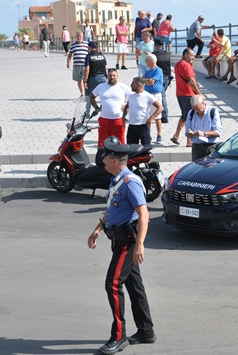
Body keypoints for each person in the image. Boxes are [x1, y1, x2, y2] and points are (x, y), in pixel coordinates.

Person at [87, 136, 155, 355]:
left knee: (113, 284)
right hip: (118, 239)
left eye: (106, 156)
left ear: (115, 160)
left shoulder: (130, 182)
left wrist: (140, 245)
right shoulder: (116, 180)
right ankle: (145, 331)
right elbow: (113, 209)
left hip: (127, 242)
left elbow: (144, 214)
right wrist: (98, 228)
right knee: (134, 286)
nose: (103, 159)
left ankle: (118, 337)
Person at [89, 68, 131, 146]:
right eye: (110, 75)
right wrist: (97, 108)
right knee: (102, 143)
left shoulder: (123, 87)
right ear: (107, 76)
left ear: (117, 76)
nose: (112, 77)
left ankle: (121, 158)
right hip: (104, 119)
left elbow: (133, 97)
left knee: (120, 142)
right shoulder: (101, 86)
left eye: (114, 75)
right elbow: (91, 96)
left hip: (118, 119)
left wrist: (127, 107)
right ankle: (101, 157)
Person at [171, 48, 202, 146]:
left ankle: (176, 136)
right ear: (185, 55)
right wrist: (199, 93)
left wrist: (191, 63)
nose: (193, 57)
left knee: (184, 116)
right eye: (191, 55)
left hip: (180, 93)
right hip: (188, 94)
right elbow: (191, 81)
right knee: (190, 117)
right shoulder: (186, 65)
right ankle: (189, 141)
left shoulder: (178, 64)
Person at [123, 77, 163, 146]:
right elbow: (127, 106)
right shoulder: (131, 96)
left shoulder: (148, 96)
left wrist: (151, 118)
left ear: (138, 85)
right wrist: (123, 116)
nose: (131, 85)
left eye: (133, 84)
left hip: (143, 125)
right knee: (131, 149)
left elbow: (160, 107)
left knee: (146, 148)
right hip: (132, 125)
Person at [185, 95, 222, 161]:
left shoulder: (212, 112)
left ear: (203, 103)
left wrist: (204, 133)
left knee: (210, 169)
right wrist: (189, 134)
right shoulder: (191, 113)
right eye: (194, 109)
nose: (196, 111)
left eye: (198, 108)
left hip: (210, 146)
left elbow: (218, 132)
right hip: (196, 147)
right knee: (196, 169)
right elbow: (187, 130)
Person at [142, 54, 164, 143]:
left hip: (155, 95)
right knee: (147, 115)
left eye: (146, 60)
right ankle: (148, 135)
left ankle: (159, 135)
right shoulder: (148, 71)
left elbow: (151, 82)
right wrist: (147, 80)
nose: (145, 62)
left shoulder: (158, 70)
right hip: (147, 94)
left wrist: (146, 81)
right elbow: (143, 79)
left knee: (157, 116)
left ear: (150, 61)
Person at [83, 41, 108, 113]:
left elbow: (87, 69)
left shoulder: (89, 56)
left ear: (89, 47)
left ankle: (88, 112)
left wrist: (85, 81)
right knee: (103, 96)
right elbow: (105, 67)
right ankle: (105, 110)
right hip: (103, 78)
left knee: (88, 95)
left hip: (93, 78)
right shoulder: (102, 55)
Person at [153, 39, 171, 124]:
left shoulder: (154, 55)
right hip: (167, 77)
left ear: (156, 46)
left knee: (162, 96)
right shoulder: (167, 54)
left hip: (159, 77)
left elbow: (152, 67)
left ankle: (164, 116)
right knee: (162, 95)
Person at [67, 31, 89, 97]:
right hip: (76, 65)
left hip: (85, 65)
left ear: (83, 37)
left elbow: (91, 52)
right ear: (76, 37)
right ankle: (82, 94)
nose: (79, 37)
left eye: (80, 36)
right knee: (79, 80)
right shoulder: (73, 45)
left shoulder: (87, 44)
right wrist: (68, 62)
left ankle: (87, 93)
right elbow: (70, 54)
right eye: (78, 36)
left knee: (86, 80)